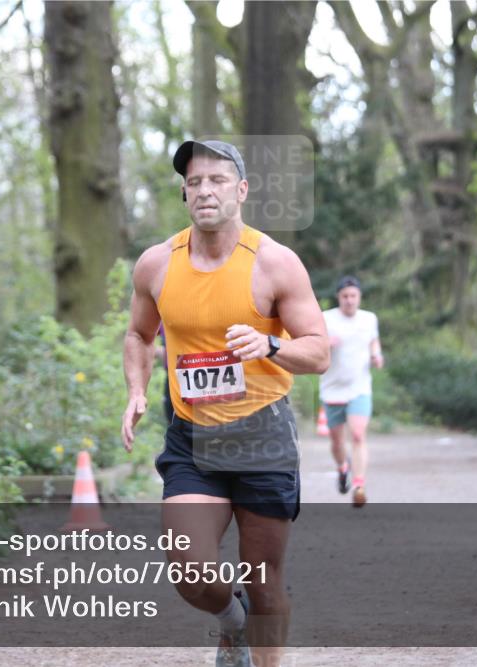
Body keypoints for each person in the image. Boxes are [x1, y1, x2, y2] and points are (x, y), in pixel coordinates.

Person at [121, 139, 329, 667]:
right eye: (194, 182)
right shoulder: (156, 265)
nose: (204, 190)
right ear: (185, 194)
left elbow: (319, 351)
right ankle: (231, 624)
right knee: (189, 570)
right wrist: (137, 390)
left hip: (262, 434)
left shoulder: (275, 262)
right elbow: (140, 336)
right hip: (193, 437)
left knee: (265, 583)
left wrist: (272, 344)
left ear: (240, 190)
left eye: (216, 180)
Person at [319, 275, 383, 508]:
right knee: (337, 442)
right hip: (332, 389)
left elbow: (373, 341)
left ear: (359, 297)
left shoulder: (369, 319)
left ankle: (359, 485)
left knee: (357, 435)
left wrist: (377, 355)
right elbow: (313, 347)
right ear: (339, 297)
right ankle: (342, 468)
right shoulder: (326, 319)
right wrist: (326, 344)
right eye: (345, 296)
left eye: (353, 296)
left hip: (359, 387)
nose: (349, 300)